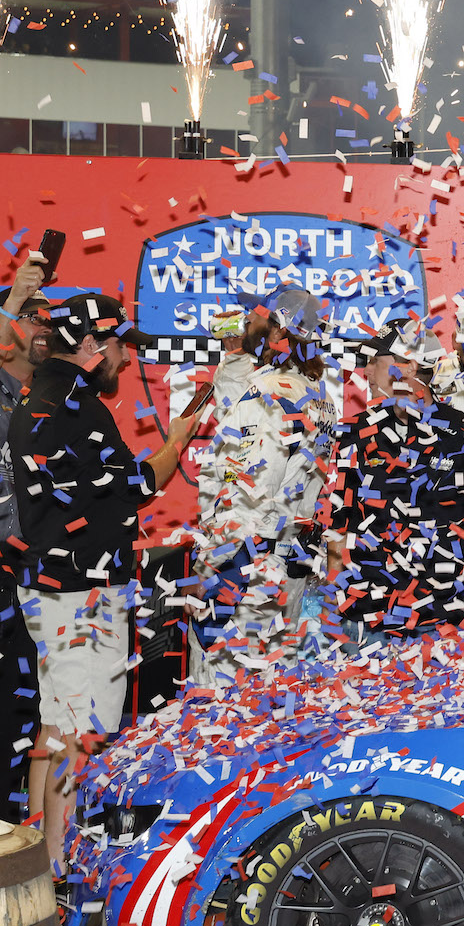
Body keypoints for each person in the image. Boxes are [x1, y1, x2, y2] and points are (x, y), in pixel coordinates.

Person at [10, 293, 202, 863]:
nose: (125, 360)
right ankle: (65, 866)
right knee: (82, 732)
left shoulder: (37, 394)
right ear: (94, 345)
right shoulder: (78, 406)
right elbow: (136, 490)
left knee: (53, 727)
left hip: (47, 589)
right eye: (120, 346)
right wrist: (175, 444)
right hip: (82, 599)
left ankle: (43, 863)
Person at [186, 287, 336, 679]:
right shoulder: (315, 394)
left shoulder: (270, 396)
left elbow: (249, 495)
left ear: (275, 332)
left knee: (221, 698)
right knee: (269, 694)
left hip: (249, 570)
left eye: (255, 315)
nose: (245, 318)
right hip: (286, 562)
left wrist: (216, 569)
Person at [326, 320, 464, 642]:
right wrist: (334, 610)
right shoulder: (355, 432)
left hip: (445, 621)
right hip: (368, 619)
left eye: (373, 362)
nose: (366, 373)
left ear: (405, 366)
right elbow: (338, 526)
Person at [0, 263, 47, 825]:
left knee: (21, 718)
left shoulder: (32, 400)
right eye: (30, 320)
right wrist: (14, 299)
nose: (43, 328)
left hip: (25, 581)